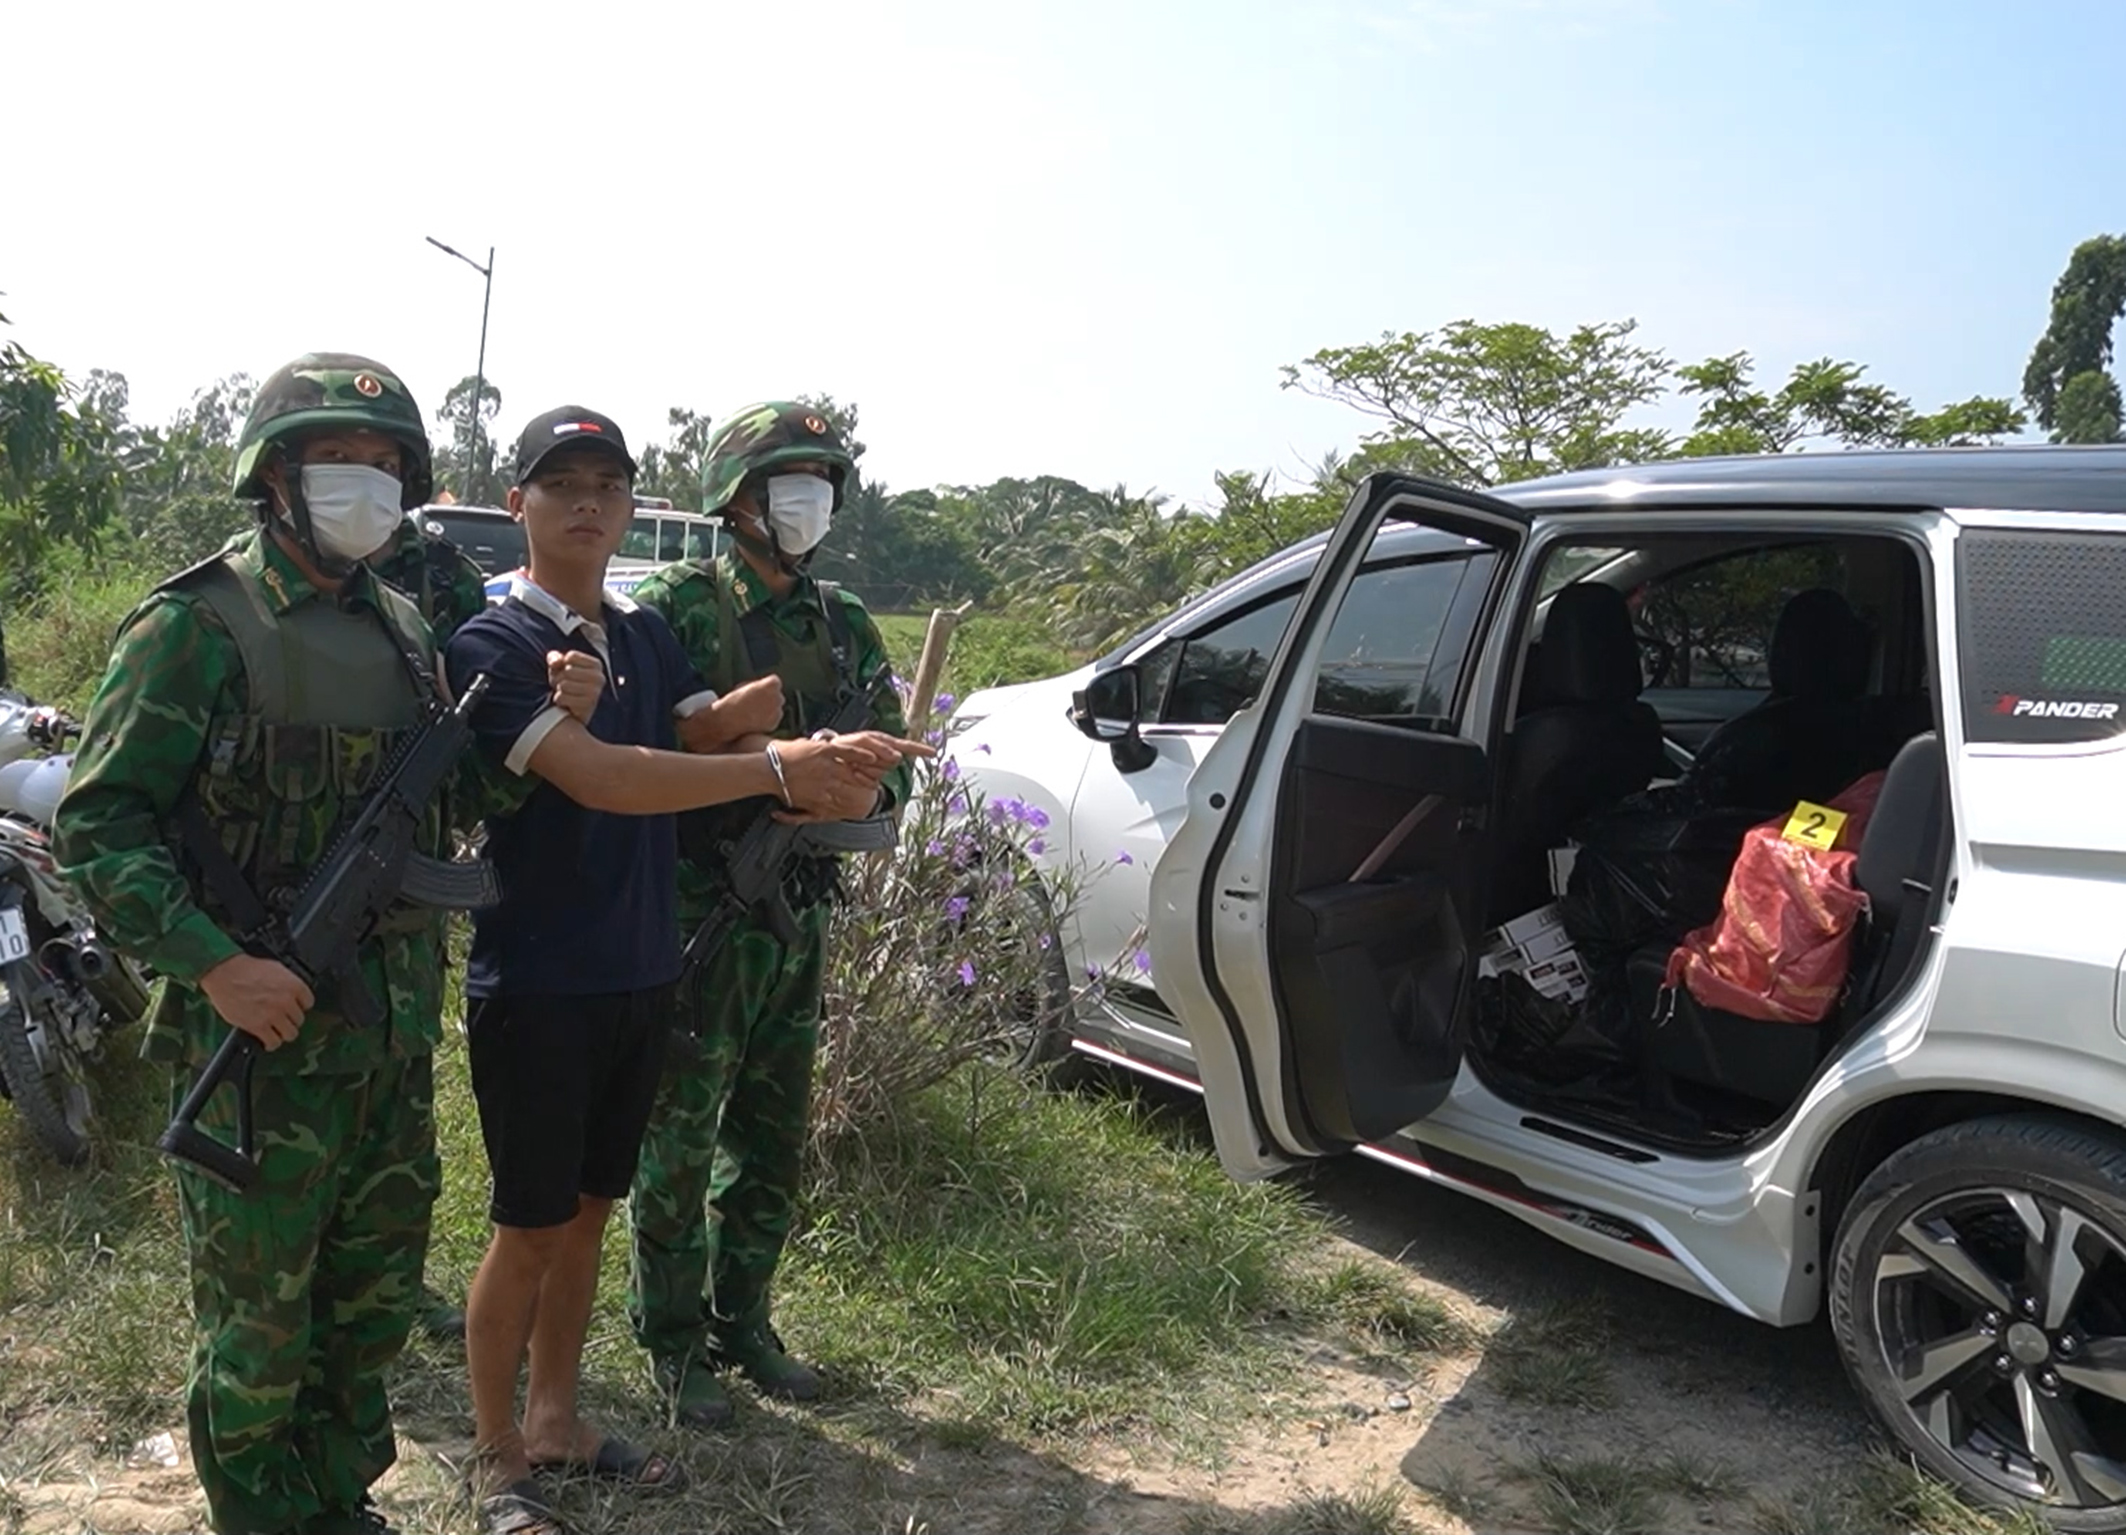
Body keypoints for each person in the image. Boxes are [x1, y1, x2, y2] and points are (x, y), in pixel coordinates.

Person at [441, 406, 922, 1533]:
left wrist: (821, 755)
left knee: (591, 1210)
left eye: (608, 482)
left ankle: (556, 1416)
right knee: (525, 1224)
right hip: (543, 977)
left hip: (640, 966)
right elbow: (607, 778)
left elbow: (691, 730)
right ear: (519, 504)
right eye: (561, 483)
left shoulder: (643, 635)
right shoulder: (495, 643)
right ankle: (496, 1454)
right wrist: (776, 765)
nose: (589, 503)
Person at [54, 353, 474, 1535]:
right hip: (256, 1035)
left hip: (383, 1033)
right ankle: (261, 1514)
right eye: (343, 457)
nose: (370, 482)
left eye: (390, 463)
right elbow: (101, 823)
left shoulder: (401, 625)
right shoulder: (196, 625)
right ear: (277, 474)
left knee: (373, 1297)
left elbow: (446, 808)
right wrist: (211, 961)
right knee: (259, 1323)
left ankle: (336, 1498)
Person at [626, 402, 912, 1430]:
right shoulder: (674, 605)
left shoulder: (842, 622)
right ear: (735, 498)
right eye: (787, 478)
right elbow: (628, 753)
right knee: (680, 1132)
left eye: (821, 479)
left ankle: (741, 1317)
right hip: (698, 910)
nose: (809, 499)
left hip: (797, 909)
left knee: (771, 1130)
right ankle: (668, 1337)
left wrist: (865, 794)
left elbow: (893, 751)